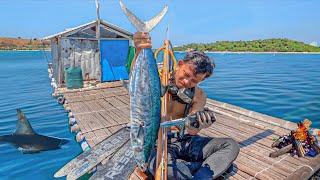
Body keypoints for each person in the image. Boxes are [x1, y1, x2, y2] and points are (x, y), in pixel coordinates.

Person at [134, 32, 240, 179]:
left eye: (194, 81)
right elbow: (137, 74)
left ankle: (195, 173)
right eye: (186, 74)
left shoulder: (199, 95)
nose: (186, 82)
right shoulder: (156, 81)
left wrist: (200, 124)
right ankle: (205, 169)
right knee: (164, 170)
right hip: (156, 141)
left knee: (231, 146)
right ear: (180, 64)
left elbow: (191, 130)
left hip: (184, 140)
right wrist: (139, 47)